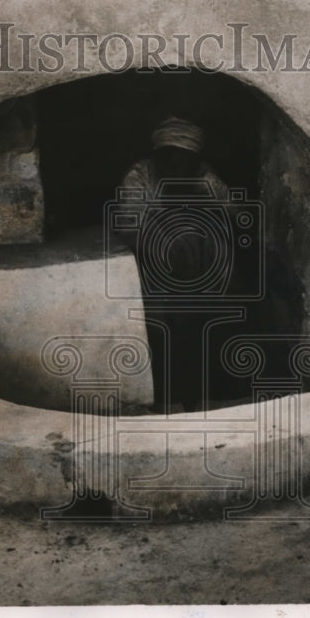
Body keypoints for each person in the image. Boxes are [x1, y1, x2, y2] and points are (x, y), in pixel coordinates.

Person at [113, 117, 230, 412]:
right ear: (158, 155)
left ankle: (197, 397)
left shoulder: (203, 176)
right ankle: (166, 399)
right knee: (158, 334)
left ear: (195, 159)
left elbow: (233, 213)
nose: (177, 166)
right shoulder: (139, 176)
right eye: (170, 157)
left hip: (197, 273)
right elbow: (130, 224)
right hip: (150, 271)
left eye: (185, 159)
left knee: (195, 332)